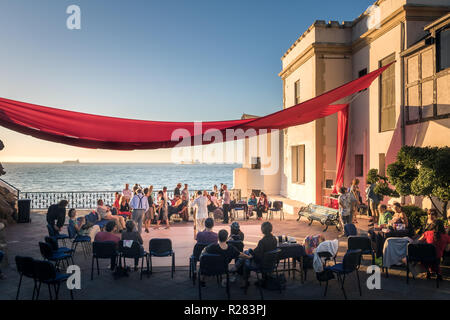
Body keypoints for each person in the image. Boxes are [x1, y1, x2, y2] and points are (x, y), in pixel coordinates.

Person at [242, 222, 278, 287]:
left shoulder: (262, 241)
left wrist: (251, 254)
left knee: (246, 261)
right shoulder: (274, 239)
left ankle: (246, 282)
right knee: (248, 252)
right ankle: (264, 279)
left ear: (263, 230)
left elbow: (258, 257)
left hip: (262, 265)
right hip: (272, 263)